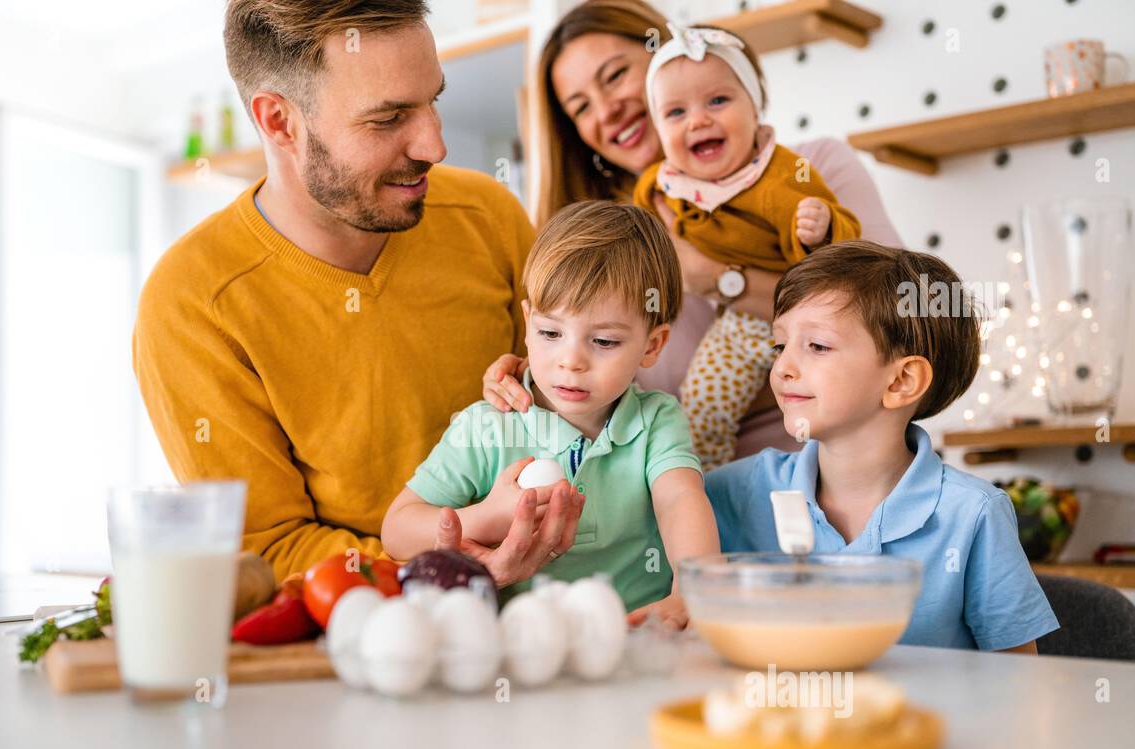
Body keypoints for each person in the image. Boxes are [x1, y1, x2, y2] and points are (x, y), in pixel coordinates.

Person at [132, 0, 582, 586]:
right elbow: (268, 547)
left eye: (433, 101)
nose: (434, 146)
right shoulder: (193, 302)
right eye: (389, 118)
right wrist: (447, 566)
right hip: (360, 640)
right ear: (278, 121)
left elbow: (587, 403)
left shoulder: (489, 214)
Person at [482, 0, 902, 463]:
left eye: (616, 76)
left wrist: (719, 277)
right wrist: (528, 382)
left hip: (843, 478)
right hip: (682, 499)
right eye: (581, 107)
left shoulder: (811, 173)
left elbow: (898, 320)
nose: (608, 110)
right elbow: (593, 403)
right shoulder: (596, 253)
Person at [706, 242, 1058, 652]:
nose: (783, 367)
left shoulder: (973, 514)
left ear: (901, 381)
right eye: (779, 346)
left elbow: (1019, 680)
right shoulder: (734, 493)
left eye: (817, 346)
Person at [383, 201, 718, 626]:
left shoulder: (656, 421)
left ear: (652, 345)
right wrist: (484, 519)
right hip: (522, 642)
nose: (570, 361)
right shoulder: (489, 425)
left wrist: (692, 591)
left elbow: (679, 499)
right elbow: (396, 529)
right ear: (527, 323)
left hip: (637, 635)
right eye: (550, 333)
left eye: (604, 342)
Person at [632, 22, 861, 468]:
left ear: (755, 107)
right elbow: (640, 211)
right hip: (739, 322)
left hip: (790, 311)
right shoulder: (664, 185)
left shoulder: (780, 174)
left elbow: (849, 251)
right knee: (703, 403)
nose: (698, 120)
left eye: (718, 101)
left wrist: (824, 224)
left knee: (838, 401)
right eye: (676, 113)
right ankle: (707, 479)